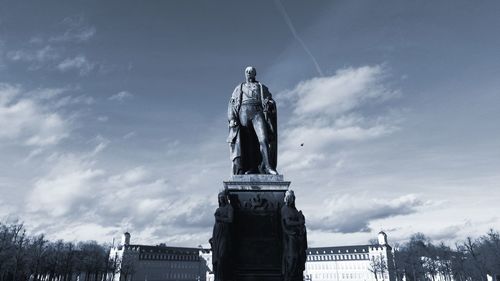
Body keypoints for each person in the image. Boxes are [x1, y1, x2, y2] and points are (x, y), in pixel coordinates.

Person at [227, 66, 278, 175]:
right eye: (247, 71)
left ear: (255, 74)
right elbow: (232, 103)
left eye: (251, 71)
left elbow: (270, 101)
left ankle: (268, 167)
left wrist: (269, 103)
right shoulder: (239, 88)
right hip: (243, 112)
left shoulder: (261, 87)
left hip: (257, 112)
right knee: (247, 142)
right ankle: (251, 168)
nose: (249, 73)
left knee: (263, 139)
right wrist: (232, 118)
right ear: (245, 74)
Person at [281, 190, 307, 281]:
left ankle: (296, 276)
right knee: (293, 257)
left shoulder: (295, 210)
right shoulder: (285, 209)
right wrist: (300, 222)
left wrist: (301, 218)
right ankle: (290, 276)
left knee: (300, 257)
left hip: (298, 237)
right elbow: (287, 222)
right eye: (289, 197)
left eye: (292, 197)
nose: (291, 199)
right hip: (291, 237)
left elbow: (301, 222)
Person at [211, 192, 234, 281]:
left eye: (222, 197)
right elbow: (216, 222)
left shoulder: (229, 208)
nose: (221, 199)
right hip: (217, 234)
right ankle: (218, 277)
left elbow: (230, 219)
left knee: (222, 256)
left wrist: (219, 218)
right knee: (217, 257)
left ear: (225, 198)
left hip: (224, 234)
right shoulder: (218, 209)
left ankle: (223, 277)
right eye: (219, 198)